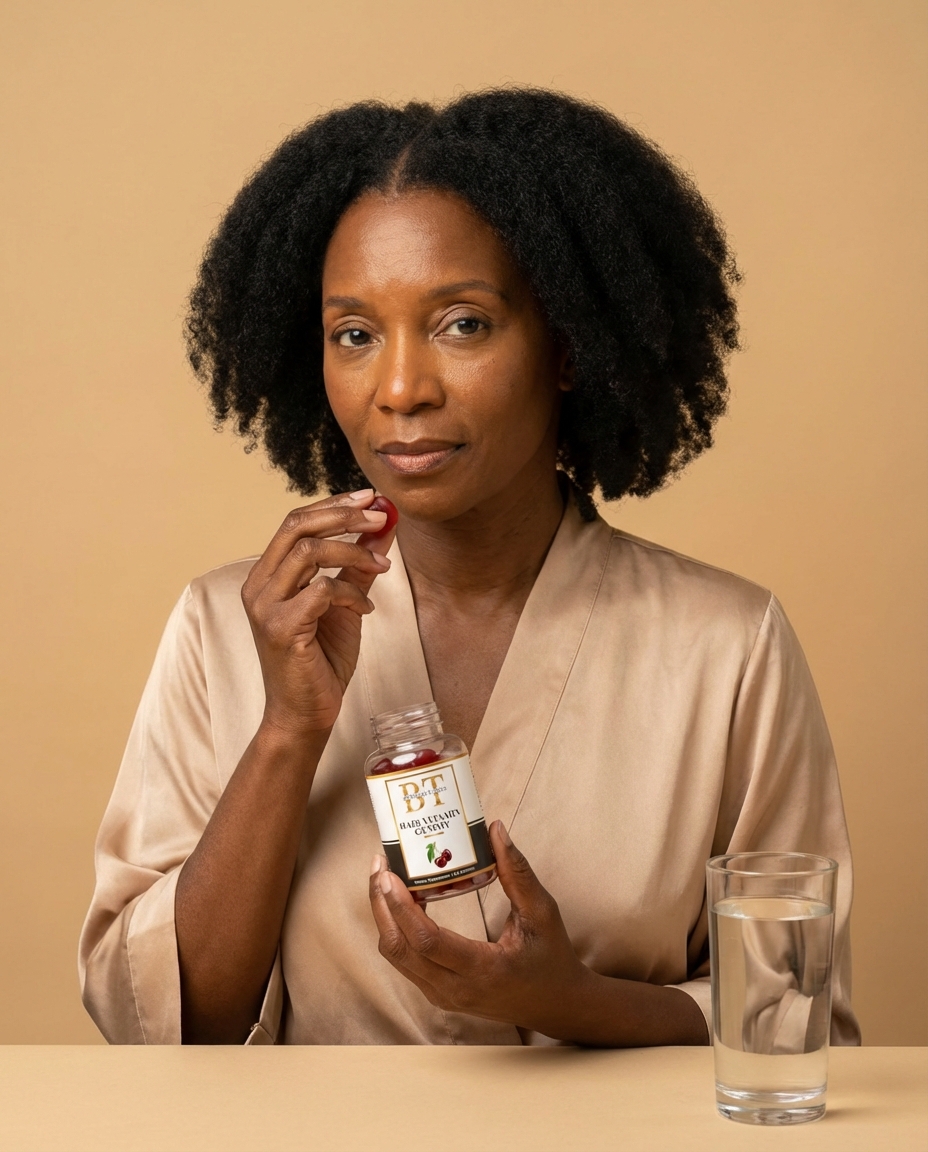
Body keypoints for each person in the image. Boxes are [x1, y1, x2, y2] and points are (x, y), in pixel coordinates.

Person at [79, 88, 860, 1048]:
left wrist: (569, 1002)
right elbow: (152, 1023)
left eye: (463, 324)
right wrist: (287, 730)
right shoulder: (223, 629)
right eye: (354, 335)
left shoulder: (727, 648)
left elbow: (799, 1020)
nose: (401, 388)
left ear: (568, 343)